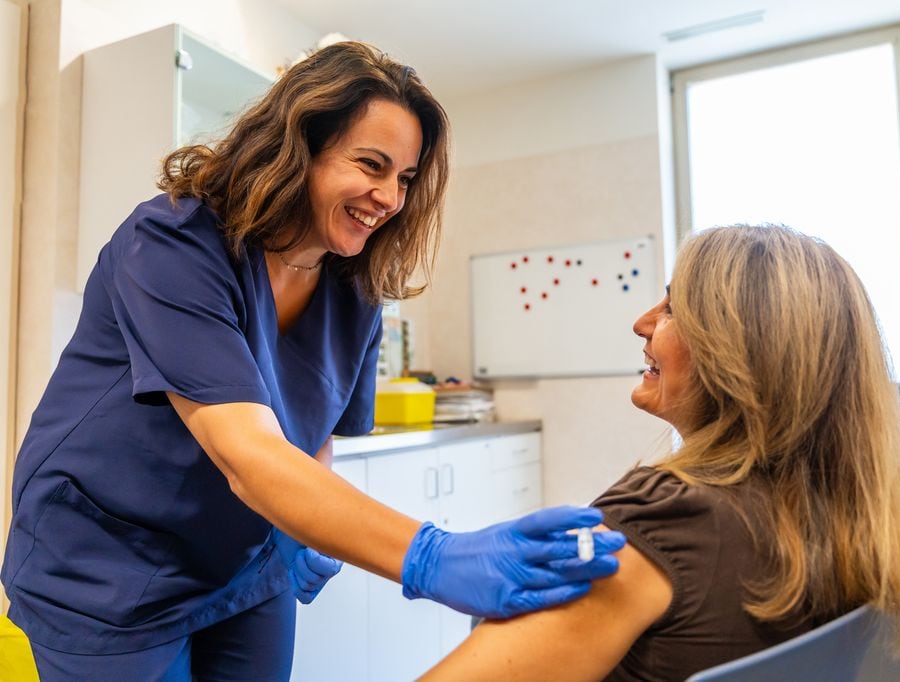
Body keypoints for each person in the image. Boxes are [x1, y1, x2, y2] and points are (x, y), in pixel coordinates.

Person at [0, 41, 624, 680]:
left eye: (405, 179)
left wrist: (298, 528)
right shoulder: (174, 243)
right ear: (298, 148)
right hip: (108, 564)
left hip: (243, 559)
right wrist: (432, 558)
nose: (389, 197)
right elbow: (247, 452)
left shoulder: (355, 288)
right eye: (371, 164)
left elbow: (310, 435)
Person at [423, 225, 900, 680]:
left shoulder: (666, 519)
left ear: (739, 349)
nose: (643, 322)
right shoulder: (850, 513)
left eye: (673, 308)